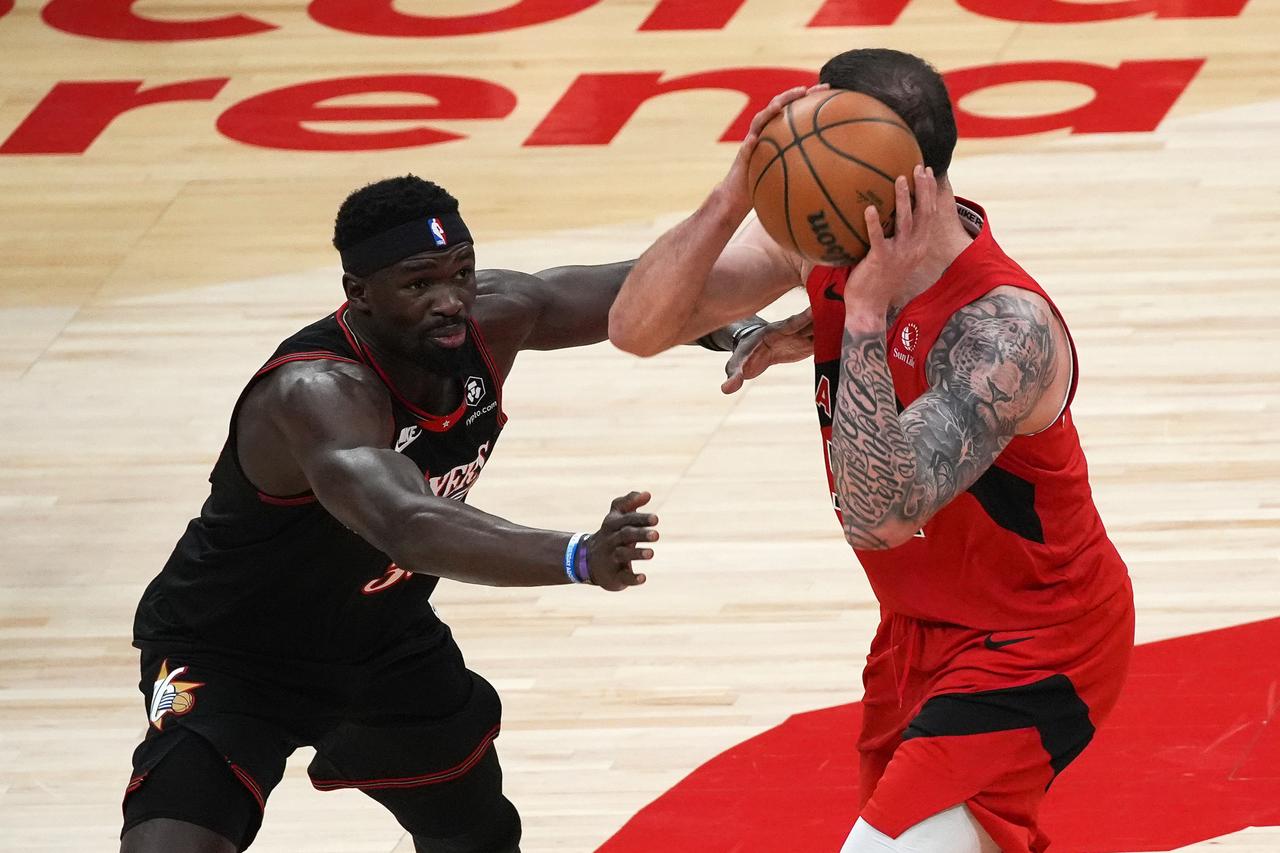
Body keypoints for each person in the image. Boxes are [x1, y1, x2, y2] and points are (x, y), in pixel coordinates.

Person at [119, 174, 783, 853]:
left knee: (479, 837)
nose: (450, 300)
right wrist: (577, 555)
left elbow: (648, 290)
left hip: (383, 642)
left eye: (461, 272)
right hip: (234, 651)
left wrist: (739, 325)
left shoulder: (493, 317)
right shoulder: (317, 391)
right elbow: (408, 526)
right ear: (359, 293)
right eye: (419, 284)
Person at [608, 49, 1135, 853]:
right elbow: (637, 328)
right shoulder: (825, 242)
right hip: (916, 630)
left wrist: (861, 318)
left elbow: (878, 517)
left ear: (888, 167)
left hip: (1039, 640)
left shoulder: (1003, 329)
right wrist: (734, 192)